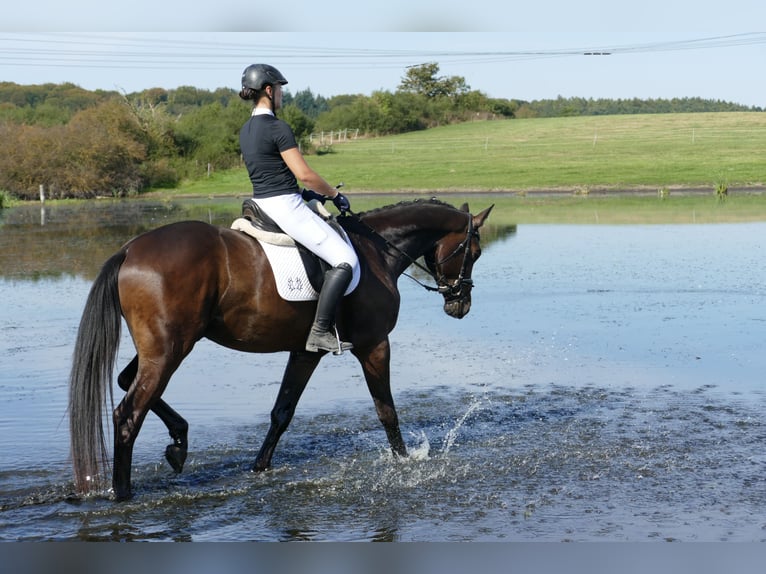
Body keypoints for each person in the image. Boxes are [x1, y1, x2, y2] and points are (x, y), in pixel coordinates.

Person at [238, 63, 358, 354]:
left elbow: (270, 172)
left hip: (261, 202)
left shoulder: (246, 130)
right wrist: (333, 193)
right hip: (285, 206)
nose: (282, 95)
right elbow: (304, 173)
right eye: (279, 89)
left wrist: (302, 192)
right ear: (269, 90)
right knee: (345, 260)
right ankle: (320, 332)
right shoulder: (278, 127)